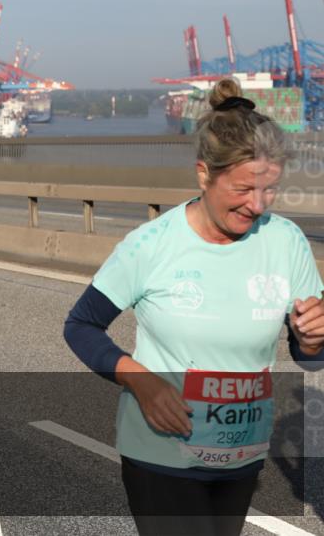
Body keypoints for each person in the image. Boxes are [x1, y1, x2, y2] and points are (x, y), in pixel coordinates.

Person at [63, 78, 324, 536]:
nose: (257, 206)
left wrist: (313, 338)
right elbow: (81, 325)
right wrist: (141, 381)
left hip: (241, 452)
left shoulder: (285, 242)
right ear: (204, 173)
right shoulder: (151, 245)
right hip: (161, 450)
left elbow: (311, 354)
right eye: (244, 189)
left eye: (270, 190)